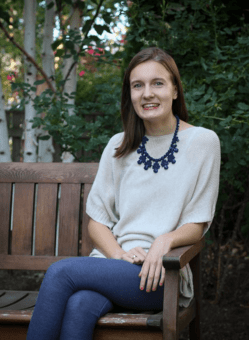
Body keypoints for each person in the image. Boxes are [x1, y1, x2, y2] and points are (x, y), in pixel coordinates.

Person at [26, 47, 220, 340]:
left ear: (175, 91)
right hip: (112, 265)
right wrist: (118, 255)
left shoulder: (203, 142)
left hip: (161, 273)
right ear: (129, 94)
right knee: (79, 305)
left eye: (158, 83)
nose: (147, 94)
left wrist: (164, 241)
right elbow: (98, 221)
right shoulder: (119, 145)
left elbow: (198, 222)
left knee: (60, 272)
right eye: (137, 85)